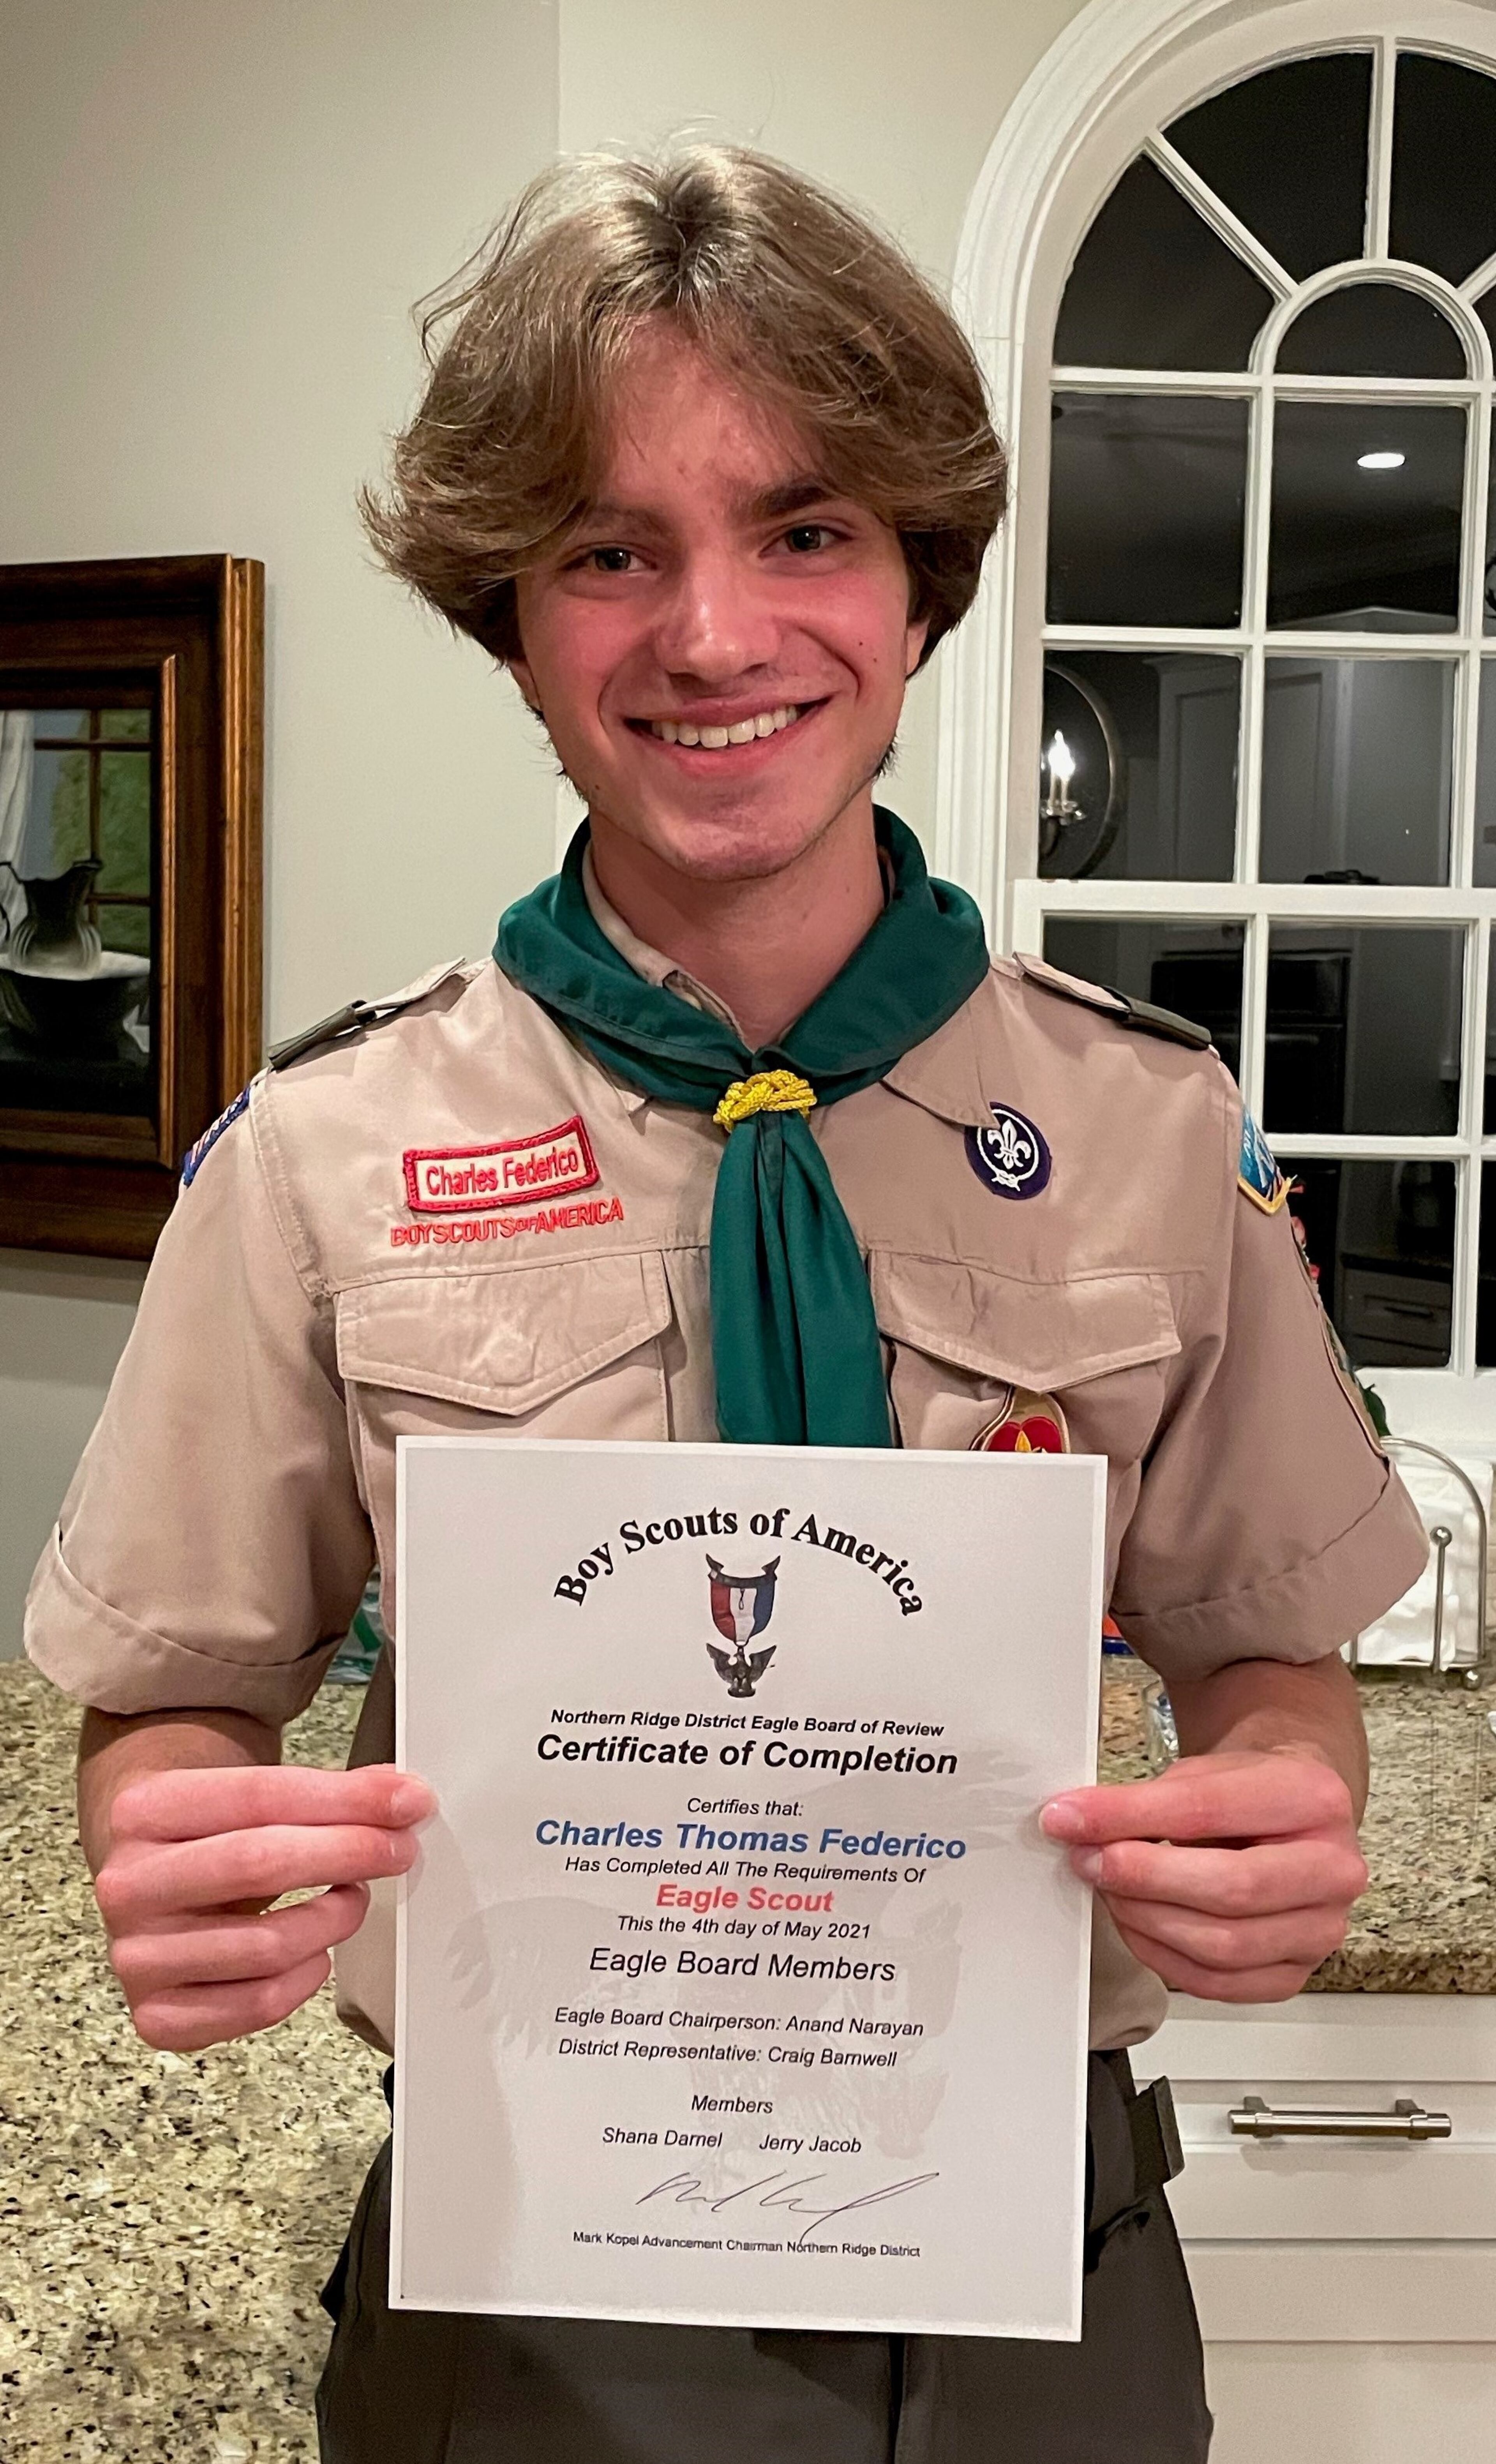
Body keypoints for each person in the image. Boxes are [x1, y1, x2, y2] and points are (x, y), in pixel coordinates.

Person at [25, 146, 1427, 2463]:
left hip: (1040, 2298)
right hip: (520, 2301)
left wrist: (1282, 1792)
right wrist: (175, 1841)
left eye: (804, 528)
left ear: (918, 577)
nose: (710, 634)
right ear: (512, 611)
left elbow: (1263, 1644)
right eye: (607, 548)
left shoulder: (1155, 1128)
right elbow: (174, 1699)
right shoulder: (321, 1152)